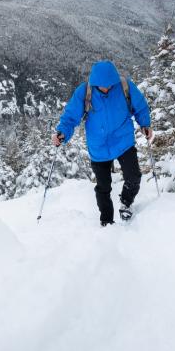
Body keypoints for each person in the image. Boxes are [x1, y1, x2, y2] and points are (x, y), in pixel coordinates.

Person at [52, 60, 153, 226]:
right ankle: (106, 220)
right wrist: (62, 133)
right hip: (98, 147)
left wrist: (145, 125)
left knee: (134, 177)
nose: (106, 88)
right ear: (95, 83)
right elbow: (71, 117)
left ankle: (126, 203)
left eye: (109, 85)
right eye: (102, 86)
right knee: (103, 187)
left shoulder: (124, 86)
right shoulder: (85, 92)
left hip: (123, 141)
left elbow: (140, 107)